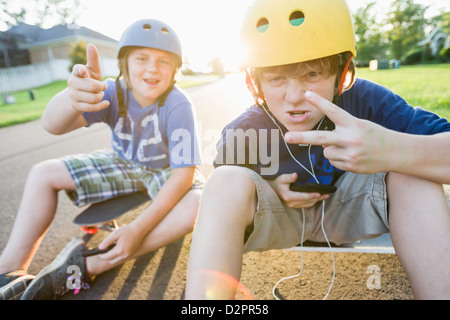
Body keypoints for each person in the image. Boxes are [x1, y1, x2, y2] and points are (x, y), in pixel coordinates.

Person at [185, 0, 450, 300]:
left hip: (351, 209)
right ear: (253, 83)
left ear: (343, 72)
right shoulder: (242, 132)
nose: (295, 97)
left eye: (312, 74)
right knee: (222, 182)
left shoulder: (368, 101)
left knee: (413, 174)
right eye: (276, 79)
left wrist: (390, 150)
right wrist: (271, 187)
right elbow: (225, 207)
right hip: (284, 219)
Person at [0, 19, 204, 300]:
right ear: (124, 63)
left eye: (163, 61)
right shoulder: (111, 91)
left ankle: (89, 263)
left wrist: (137, 229)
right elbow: (52, 125)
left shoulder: (178, 104)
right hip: (122, 161)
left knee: (197, 203)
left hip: (165, 170)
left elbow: (184, 173)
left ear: (175, 69)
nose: (152, 68)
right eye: (142, 58)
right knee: (42, 173)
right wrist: (71, 100)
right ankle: (8, 272)